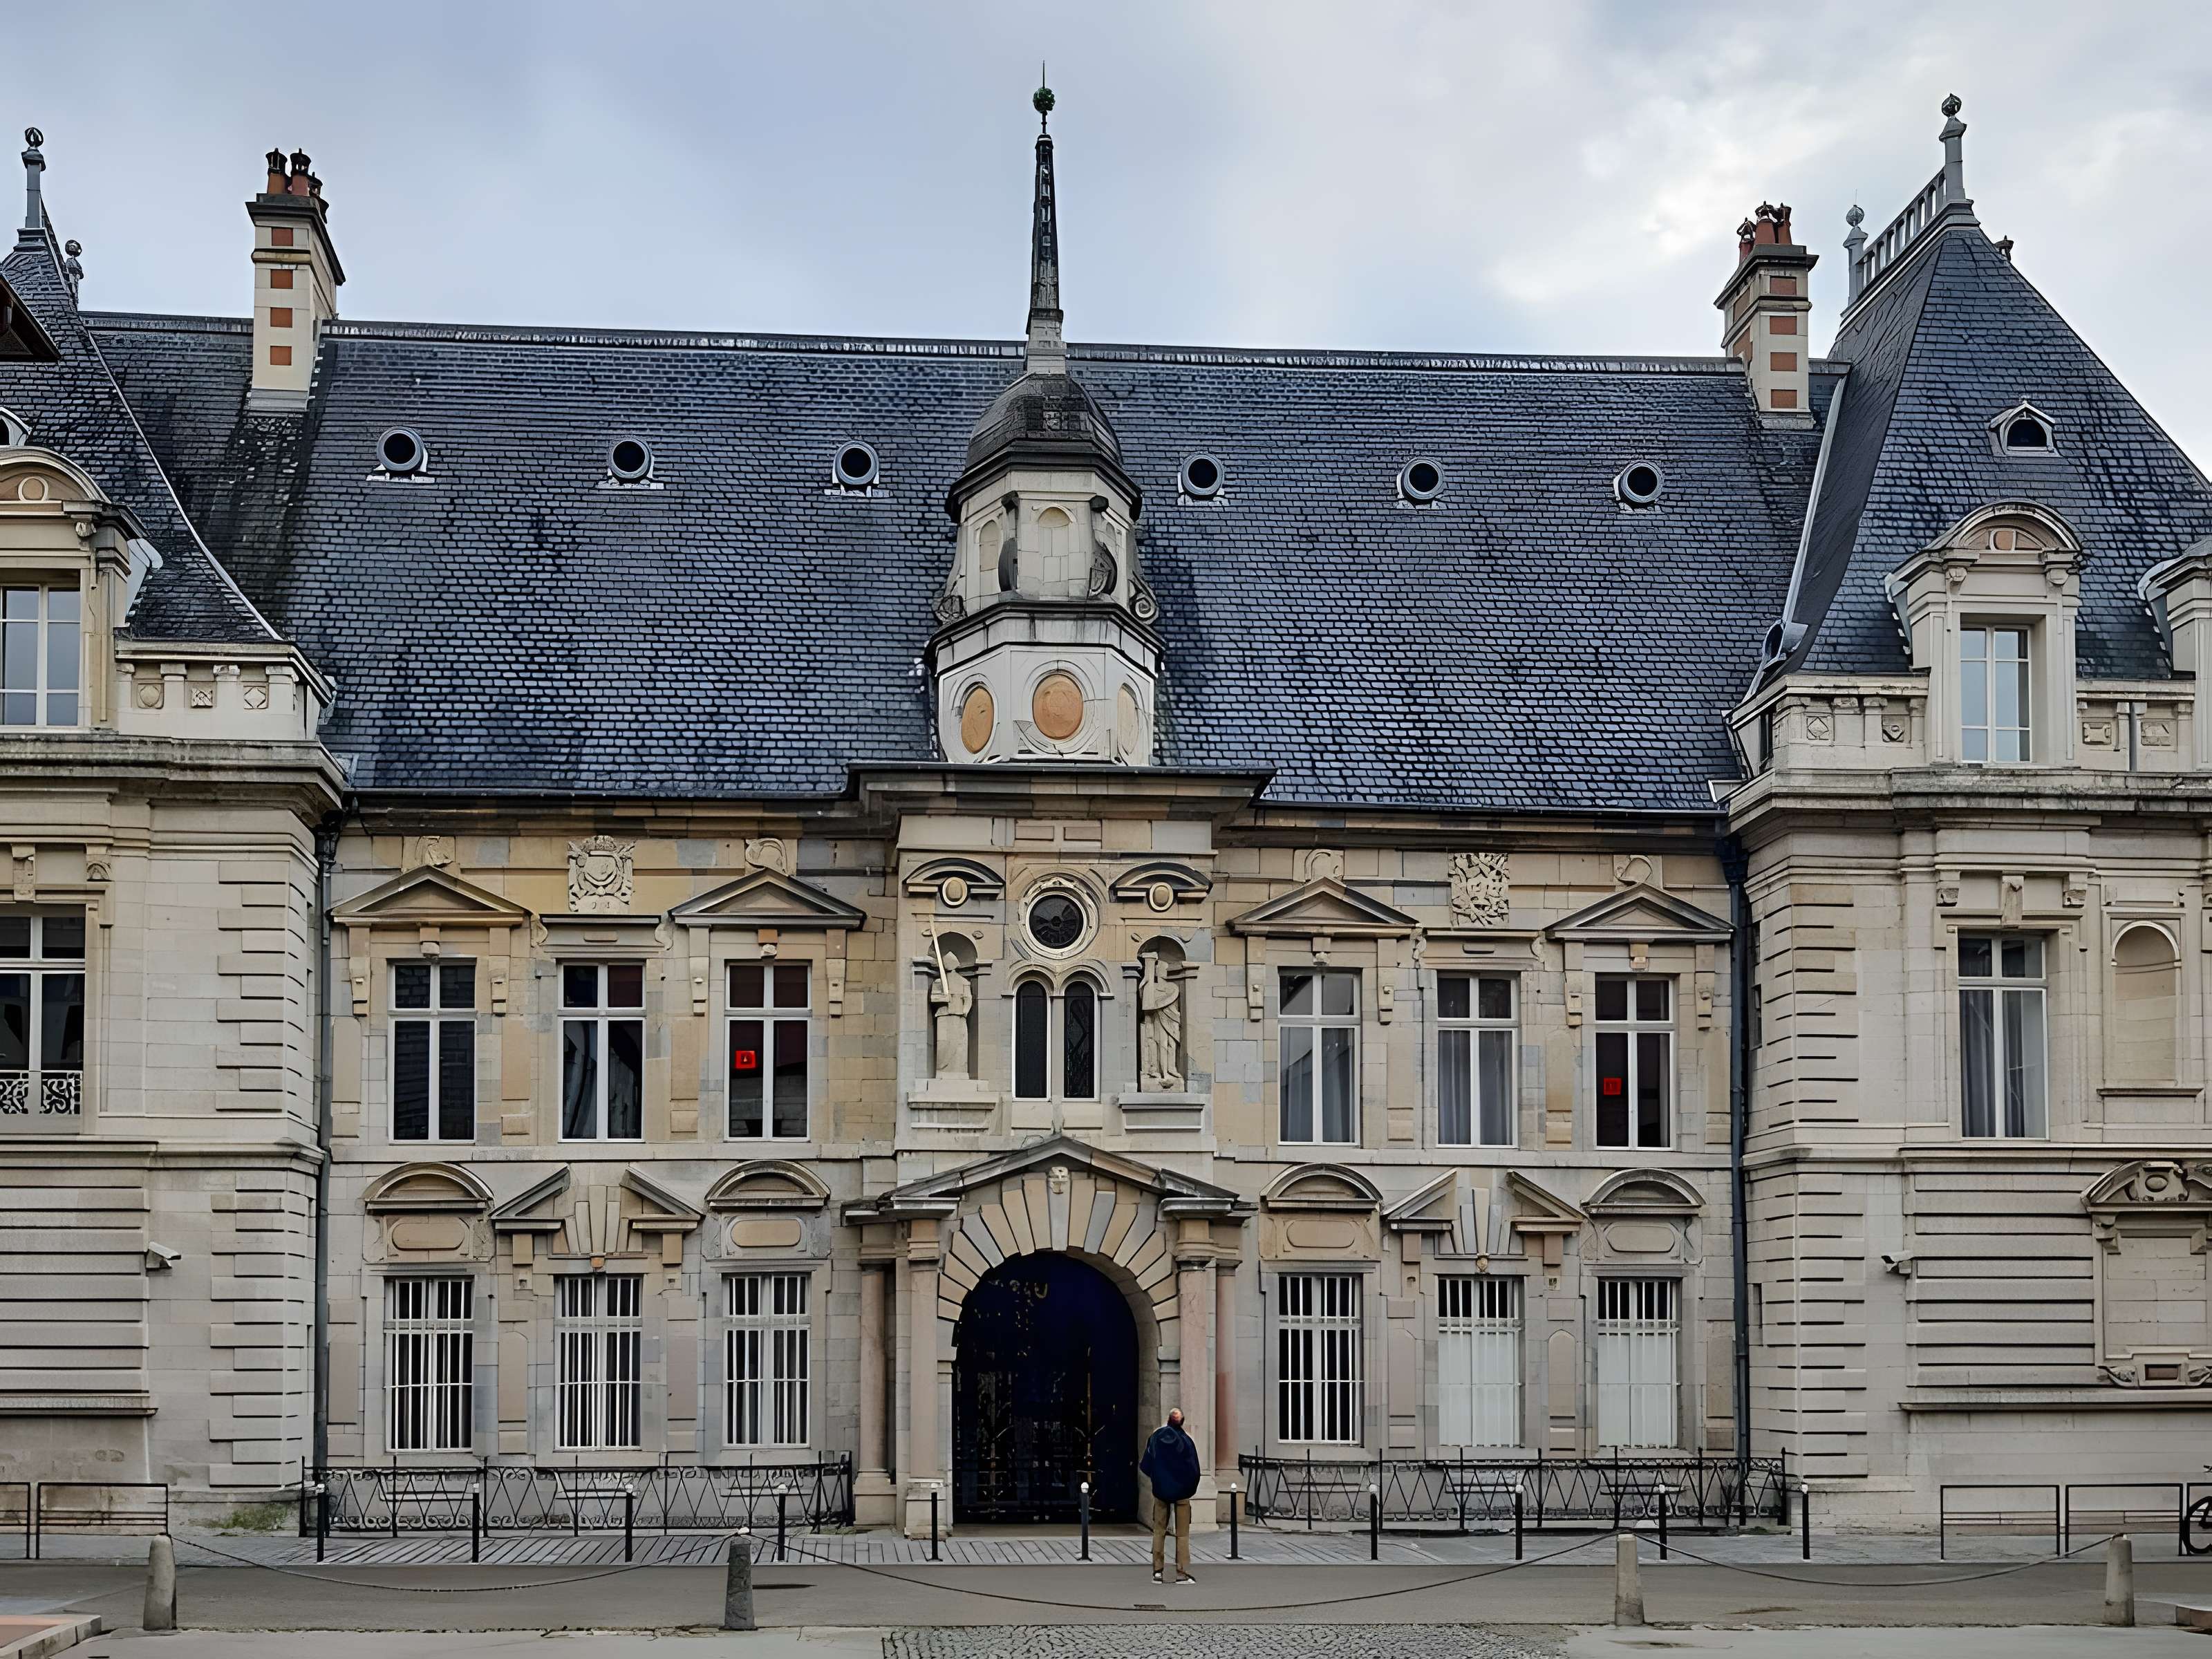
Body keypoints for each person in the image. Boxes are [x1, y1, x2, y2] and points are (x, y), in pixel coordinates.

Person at [1140, 1406, 1201, 1584]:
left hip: (1160, 1492)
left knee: (1159, 1531)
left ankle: (1157, 1572)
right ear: (1182, 1422)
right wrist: (1188, 1488)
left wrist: (1158, 1479)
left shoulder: (1156, 1437)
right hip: (1182, 1493)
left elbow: (1146, 1465)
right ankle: (1181, 1573)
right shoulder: (1186, 1441)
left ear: (1168, 1420)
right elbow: (1195, 1470)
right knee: (1182, 1534)